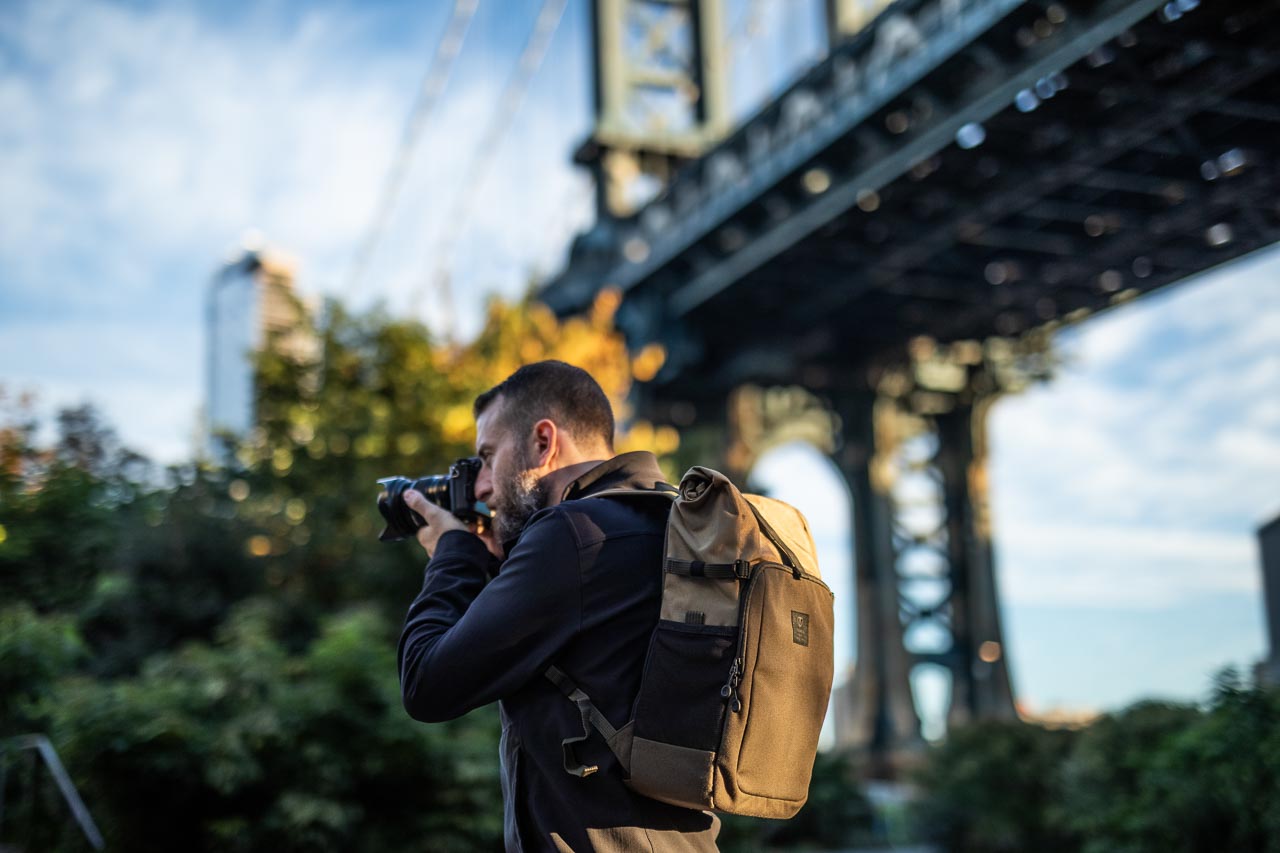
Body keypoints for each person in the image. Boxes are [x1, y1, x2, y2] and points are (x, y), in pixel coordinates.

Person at [397, 360, 720, 852]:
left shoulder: (573, 535)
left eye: (487, 456)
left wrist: (452, 553)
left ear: (543, 442)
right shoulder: (664, 524)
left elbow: (426, 683)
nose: (482, 486)